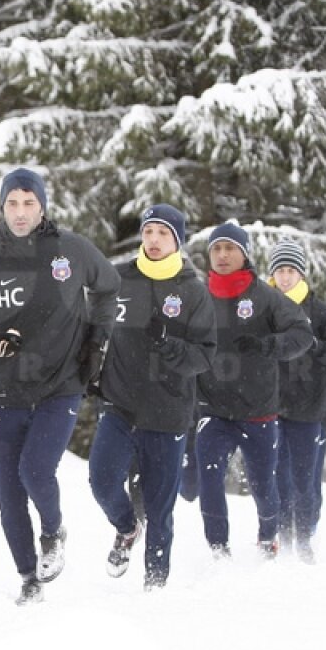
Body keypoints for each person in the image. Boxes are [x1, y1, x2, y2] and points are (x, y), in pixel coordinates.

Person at [0, 168, 119, 605]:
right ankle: (28, 577)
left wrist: (96, 342)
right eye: (12, 204)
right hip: (6, 390)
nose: (20, 213)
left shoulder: (70, 250)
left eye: (29, 203)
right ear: (2, 207)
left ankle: (53, 533)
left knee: (36, 470)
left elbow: (109, 287)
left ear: (42, 206)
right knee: (9, 495)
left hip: (62, 384)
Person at [89, 205, 216, 590]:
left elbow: (204, 356)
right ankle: (127, 528)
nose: (154, 240)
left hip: (167, 413)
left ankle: (155, 587)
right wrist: (90, 370)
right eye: (148, 232)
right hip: (120, 405)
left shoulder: (193, 291)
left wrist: (168, 344)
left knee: (160, 510)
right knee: (102, 481)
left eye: (163, 233)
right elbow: (92, 328)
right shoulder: (118, 278)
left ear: (177, 240)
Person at [195, 223, 311, 560]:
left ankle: (268, 537)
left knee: (262, 485)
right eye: (217, 249)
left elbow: (302, 334)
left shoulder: (265, 297)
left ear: (244, 254)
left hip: (258, 411)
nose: (222, 255)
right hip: (213, 409)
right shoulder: (198, 297)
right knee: (209, 480)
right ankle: (218, 549)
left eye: (230, 248)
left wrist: (268, 345)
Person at [268, 239, 326, 563]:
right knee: (276, 478)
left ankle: (305, 542)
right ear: (272, 274)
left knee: (306, 483)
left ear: (301, 274)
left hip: (313, 414)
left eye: (291, 270)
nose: (285, 277)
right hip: (271, 410)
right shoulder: (263, 309)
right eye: (280, 270)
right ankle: (280, 541)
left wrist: (324, 386)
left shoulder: (319, 312)